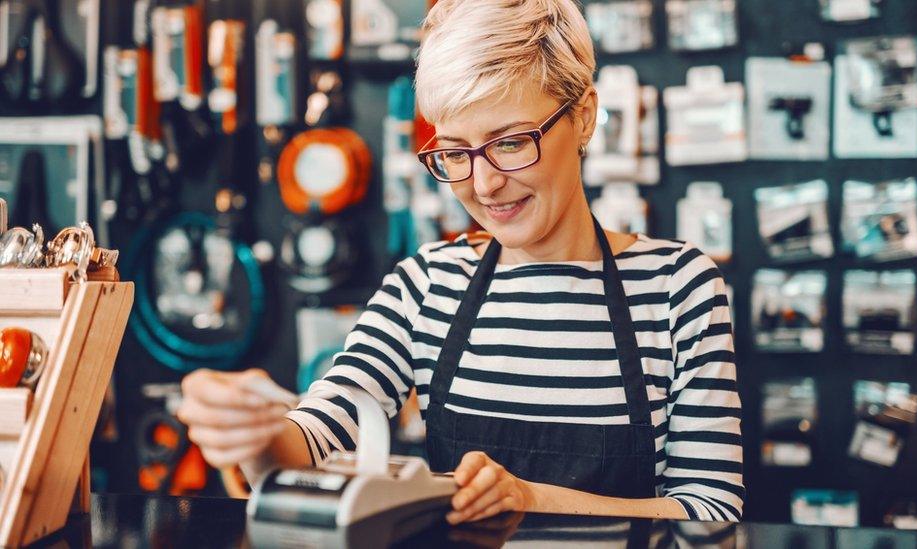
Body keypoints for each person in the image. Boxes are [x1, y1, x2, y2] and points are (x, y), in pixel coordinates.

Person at [177, 0, 744, 524]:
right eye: (454, 152)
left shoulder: (678, 288)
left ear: (586, 116)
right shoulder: (427, 284)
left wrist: (527, 498)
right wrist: (253, 435)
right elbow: (318, 435)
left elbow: (711, 511)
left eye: (511, 142)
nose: (484, 184)